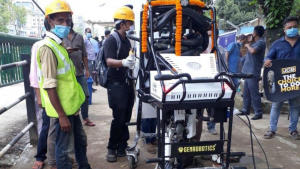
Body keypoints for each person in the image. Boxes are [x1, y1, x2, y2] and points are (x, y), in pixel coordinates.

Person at [37, 0, 91, 168]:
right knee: (64, 151)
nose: (65, 24)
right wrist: (61, 116)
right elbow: (50, 85)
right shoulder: (48, 48)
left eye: (67, 20)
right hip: (63, 110)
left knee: (80, 142)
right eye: (60, 20)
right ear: (50, 21)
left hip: (72, 107)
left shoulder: (59, 45)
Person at [103, 6, 135, 162]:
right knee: (118, 117)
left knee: (126, 116)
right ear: (122, 24)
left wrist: (131, 63)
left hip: (127, 83)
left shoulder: (126, 40)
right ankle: (111, 148)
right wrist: (123, 62)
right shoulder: (111, 40)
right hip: (115, 84)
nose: (131, 26)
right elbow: (108, 61)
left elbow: (129, 58)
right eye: (129, 23)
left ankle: (122, 146)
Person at [263, 16, 300, 140]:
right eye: (289, 27)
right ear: (284, 29)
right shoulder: (277, 44)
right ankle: (272, 129)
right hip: (279, 81)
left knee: (295, 106)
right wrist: (267, 61)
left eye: (295, 27)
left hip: (296, 81)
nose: (292, 29)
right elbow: (268, 58)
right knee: (276, 105)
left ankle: (293, 130)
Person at [30, 22, 54, 169]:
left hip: (61, 93)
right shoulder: (39, 46)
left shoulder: (59, 45)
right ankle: (40, 156)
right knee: (46, 125)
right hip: (46, 93)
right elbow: (34, 73)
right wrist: (38, 96)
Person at [63, 22, 95, 127]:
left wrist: (87, 69)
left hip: (80, 72)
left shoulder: (79, 37)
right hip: (67, 75)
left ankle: (85, 118)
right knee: (70, 97)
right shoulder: (60, 37)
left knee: (85, 95)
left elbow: (84, 54)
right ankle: (72, 119)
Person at [240, 25, 266, 120]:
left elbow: (253, 51)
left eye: (253, 32)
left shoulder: (261, 43)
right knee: (246, 92)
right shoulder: (255, 42)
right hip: (248, 71)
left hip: (253, 72)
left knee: (254, 93)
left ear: (255, 33)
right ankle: (245, 109)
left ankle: (258, 112)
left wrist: (247, 45)